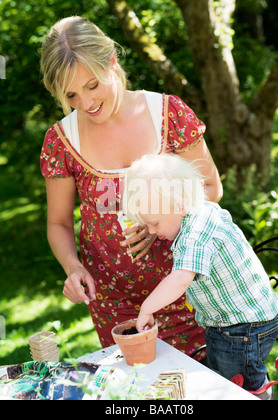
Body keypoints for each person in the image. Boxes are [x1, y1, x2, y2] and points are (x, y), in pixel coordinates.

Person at [39, 16, 223, 356]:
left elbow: (210, 187)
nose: (85, 103)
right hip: (116, 307)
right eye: (71, 94)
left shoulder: (168, 114)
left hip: (192, 289)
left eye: (92, 85)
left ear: (111, 62)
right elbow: (59, 223)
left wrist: (160, 223)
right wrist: (73, 266)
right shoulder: (62, 140)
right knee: (140, 393)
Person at [125, 153, 278, 394]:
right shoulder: (198, 212)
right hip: (229, 323)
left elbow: (180, 278)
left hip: (244, 327)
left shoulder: (197, 231)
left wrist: (146, 308)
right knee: (230, 377)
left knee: (241, 387)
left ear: (179, 204)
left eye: (155, 223)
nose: (152, 231)